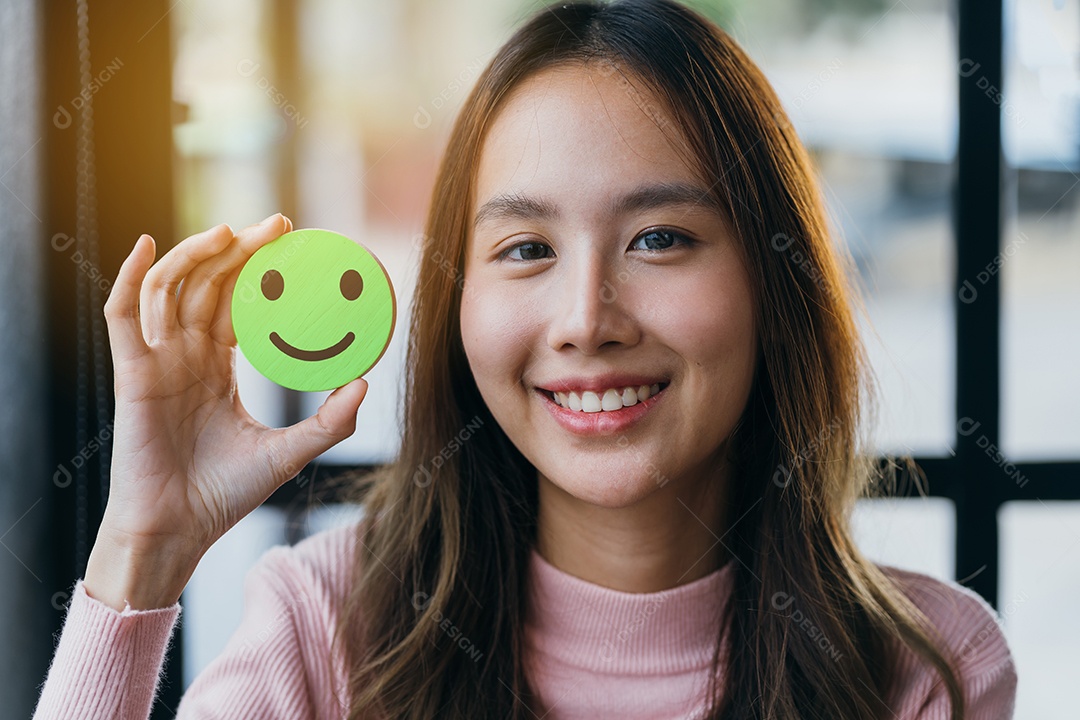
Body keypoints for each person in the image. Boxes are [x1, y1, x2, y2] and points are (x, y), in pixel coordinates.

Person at [33, 1, 1017, 718]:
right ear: (458, 301)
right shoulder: (324, 630)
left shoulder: (928, 670)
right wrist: (143, 549)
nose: (586, 320)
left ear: (775, 278)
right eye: (526, 249)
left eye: (660, 238)